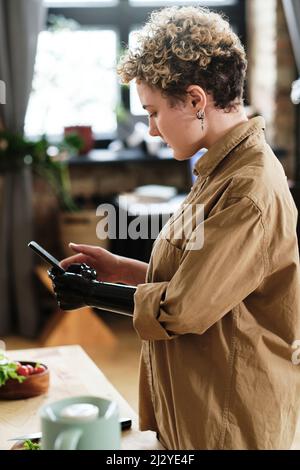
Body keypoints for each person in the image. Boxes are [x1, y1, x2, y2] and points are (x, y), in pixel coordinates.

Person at [49, 6, 300, 450]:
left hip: (228, 420)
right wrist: (120, 270)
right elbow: (203, 279)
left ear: (196, 100)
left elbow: (184, 308)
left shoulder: (245, 188)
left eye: (153, 112)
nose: (151, 129)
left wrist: (90, 295)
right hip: (197, 403)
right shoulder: (221, 171)